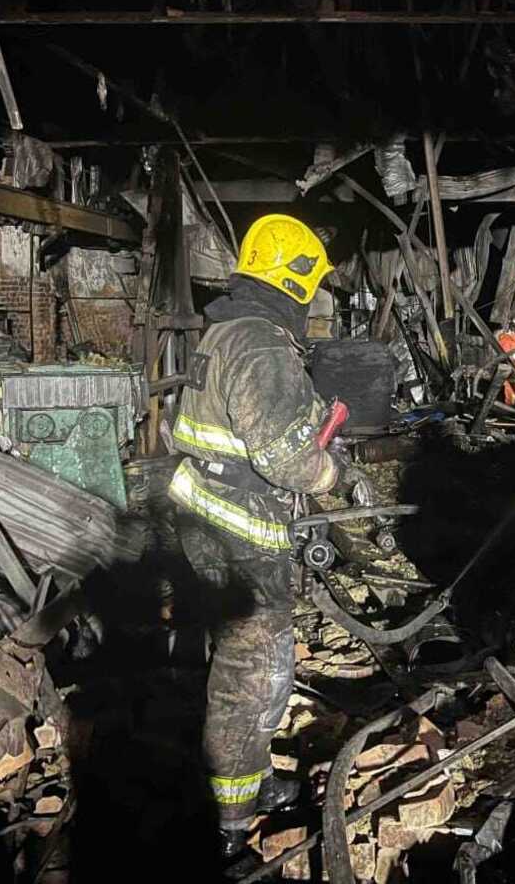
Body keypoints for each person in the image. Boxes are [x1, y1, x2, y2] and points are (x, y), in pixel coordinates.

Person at [166, 213, 371, 861]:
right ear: (296, 281)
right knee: (253, 680)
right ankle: (230, 830)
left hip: (201, 521)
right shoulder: (261, 342)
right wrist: (337, 472)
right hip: (243, 540)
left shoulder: (224, 330)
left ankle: (241, 781)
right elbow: (285, 459)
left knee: (219, 669)